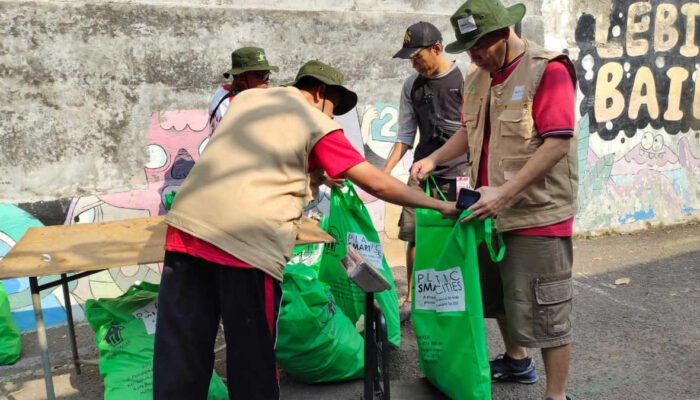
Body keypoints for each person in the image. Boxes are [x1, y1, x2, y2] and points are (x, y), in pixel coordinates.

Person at [153, 60, 460, 400]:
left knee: (182, 353)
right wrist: (440, 205)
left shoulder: (247, 100)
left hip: (185, 231)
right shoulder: (314, 121)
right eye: (333, 108)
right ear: (319, 92)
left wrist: (314, 175)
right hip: (246, 246)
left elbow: (262, 156)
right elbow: (377, 183)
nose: (333, 118)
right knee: (252, 358)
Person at [410, 1, 577, 399]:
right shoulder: (478, 75)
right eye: (467, 48)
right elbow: (469, 131)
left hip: (536, 214)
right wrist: (433, 158)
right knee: (500, 296)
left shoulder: (548, 70)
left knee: (549, 312)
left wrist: (504, 193)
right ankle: (518, 362)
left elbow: (557, 143)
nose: (473, 56)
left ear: (504, 34)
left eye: (479, 46)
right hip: (489, 210)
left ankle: (556, 395)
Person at [384, 21, 469, 323]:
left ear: (437, 48)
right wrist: (385, 172)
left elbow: (475, 130)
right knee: (414, 235)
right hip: (421, 174)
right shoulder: (412, 85)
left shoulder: (466, 77)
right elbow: (405, 133)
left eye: (417, 56)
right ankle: (412, 298)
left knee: (458, 237)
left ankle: (456, 298)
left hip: (460, 173)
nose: (413, 64)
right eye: (409, 58)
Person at [208, 46, 278, 135]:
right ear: (241, 76)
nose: (267, 80)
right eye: (261, 75)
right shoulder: (239, 105)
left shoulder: (220, 92)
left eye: (268, 74)